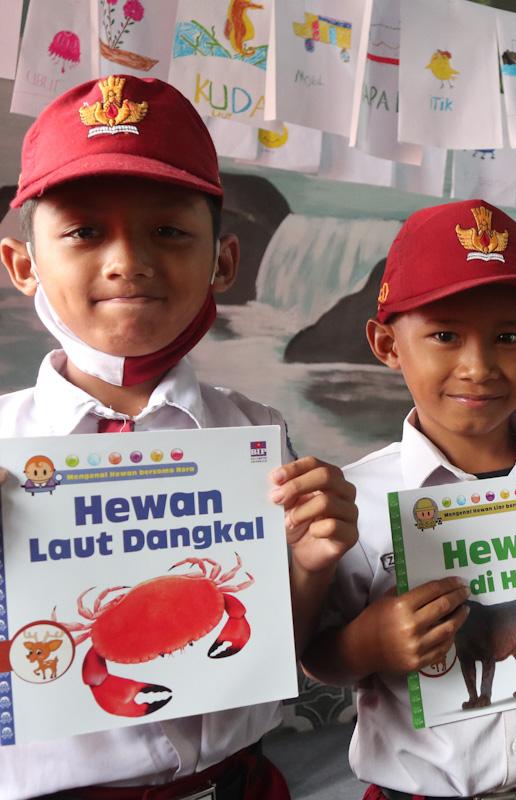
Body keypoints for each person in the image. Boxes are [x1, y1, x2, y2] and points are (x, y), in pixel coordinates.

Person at [0, 74, 358, 800]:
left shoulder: (258, 432)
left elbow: (271, 644)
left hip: (241, 782)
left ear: (223, 262)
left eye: (168, 229)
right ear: (22, 265)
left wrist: (313, 565)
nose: (127, 259)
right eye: (83, 231)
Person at [303, 199, 516, 800]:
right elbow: (319, 658)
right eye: (445, 335)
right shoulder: (359, 498)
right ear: (386, 344)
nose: (478, 366)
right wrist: (370, 644)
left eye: (507, 337)